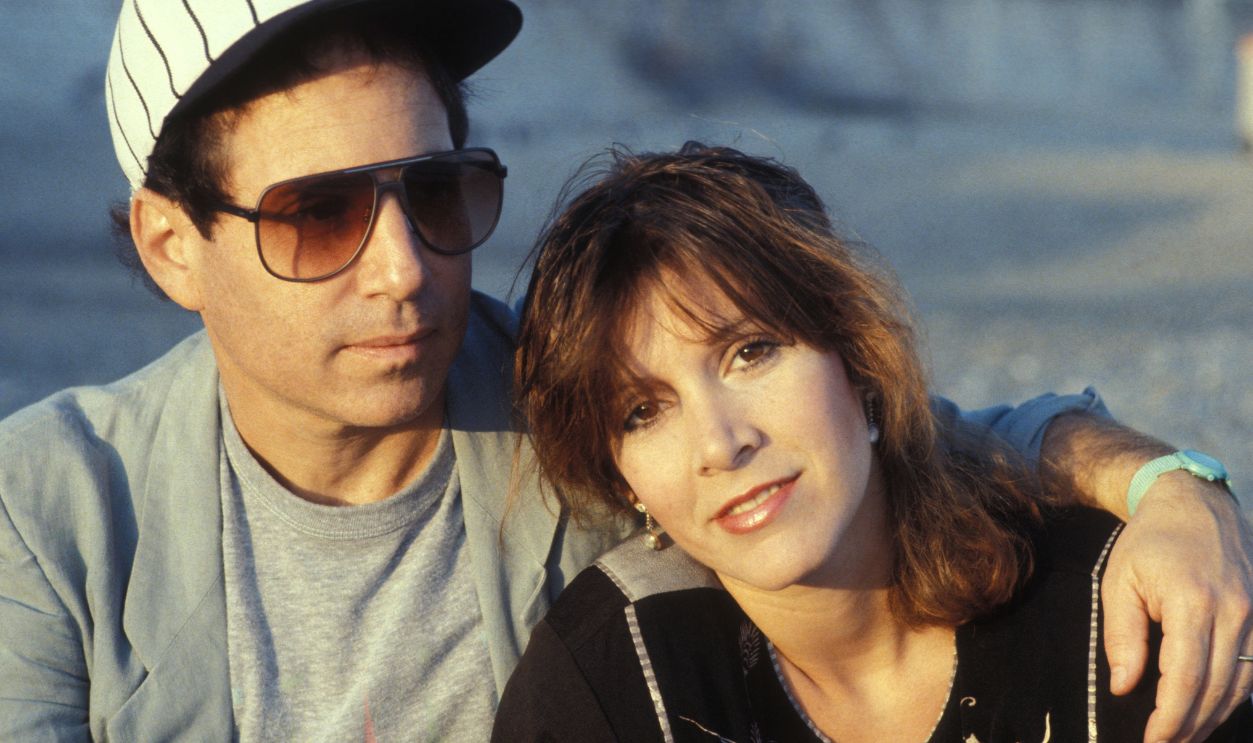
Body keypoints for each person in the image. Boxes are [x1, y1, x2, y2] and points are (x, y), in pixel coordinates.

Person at [0, 0, 1246, 739]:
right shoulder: (50, 513)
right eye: (318, 215)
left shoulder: (585, 414)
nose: (401, 270)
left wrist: (1169, 488)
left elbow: (895, 439)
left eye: (436, 192)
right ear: (172, 244)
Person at [496, 144, 1253, 742]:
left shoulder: (1110, 617)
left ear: (856, 358)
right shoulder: (607, 690)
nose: (720, 444)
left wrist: (1179, 486)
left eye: (750, 352)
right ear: (623, 480)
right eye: (641, 411)